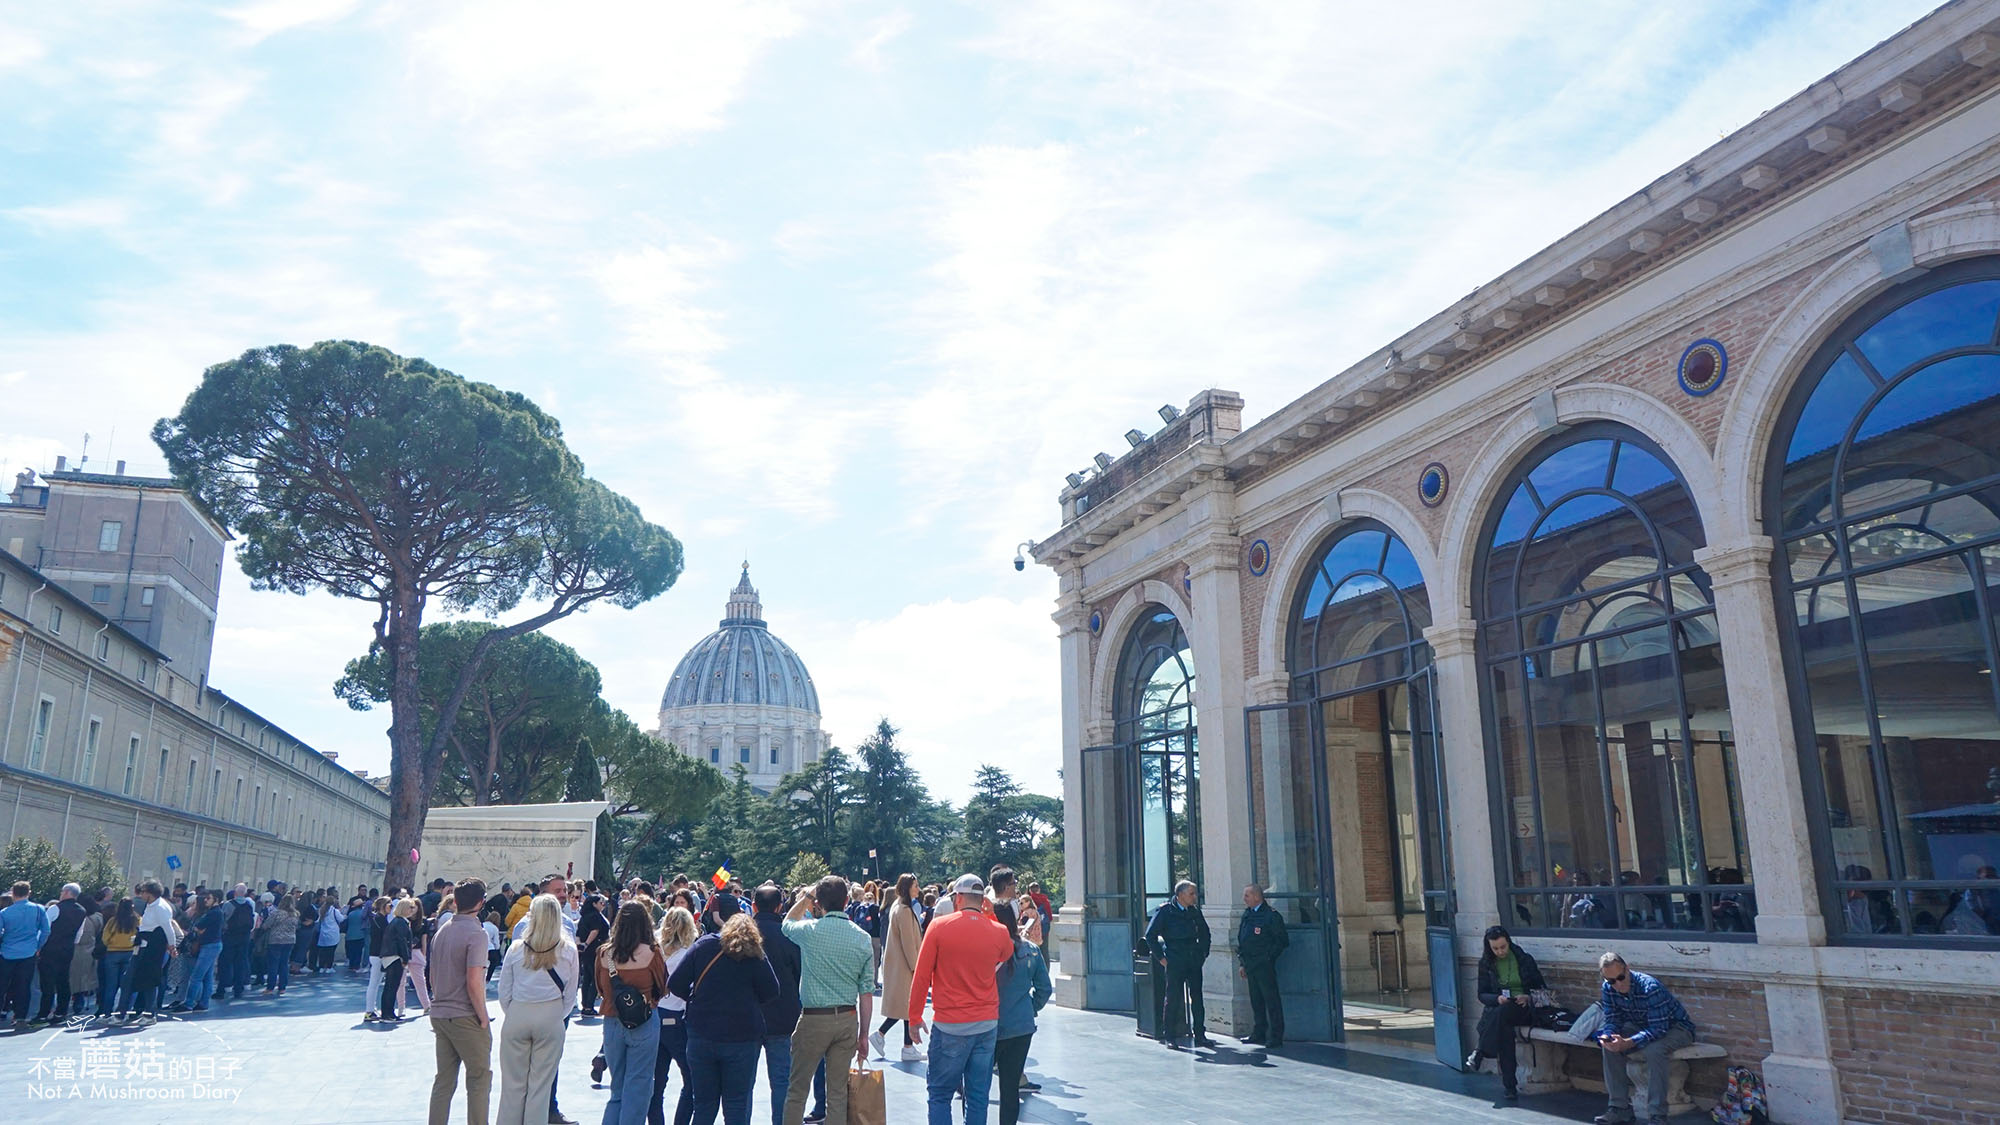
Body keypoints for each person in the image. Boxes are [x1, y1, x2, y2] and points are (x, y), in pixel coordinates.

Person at [908, 873, 1015, 1125]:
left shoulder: (938, 927)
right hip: (986, 1023)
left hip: (950, 1024)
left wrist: (914, 1017)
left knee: (940, 1094)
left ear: (957, 898)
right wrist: (988, 915)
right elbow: (1007, 950)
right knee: (978, 1097)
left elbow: (922, 976)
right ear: (982, 899)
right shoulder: (997, 930)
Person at [669, 911, 778, 1125]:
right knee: (736, 1105)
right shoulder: (755, 954)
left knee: (703, 1105)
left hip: (702, 1033)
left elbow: (675, 983)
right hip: (743, 1037)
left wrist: (695, 1000)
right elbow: (772, 990)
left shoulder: (705, 946)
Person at [782, 877, 874, 1125]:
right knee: (837, 1093)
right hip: (847, 1018)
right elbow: (866, 992)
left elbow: (787, 923)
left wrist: (807, 897)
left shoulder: (811, 932)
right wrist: (864, 1034)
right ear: (847, 901)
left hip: (813, 1019)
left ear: (819, 904)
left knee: (797, 1090)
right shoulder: (863, 938)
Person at [496, 892, 577, 1125]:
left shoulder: (516, 948)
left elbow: (504, 991)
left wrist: (514, 1011)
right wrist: (555, 1014)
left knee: (512, 1085)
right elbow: (570, 994)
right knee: (541, 1086)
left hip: (518, 1012)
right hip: (551, 1014)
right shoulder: (569, 950)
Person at [1594, 951, 1698, 1125]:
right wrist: (1609, 1035)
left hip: (1675, 1027)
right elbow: (1613, 1018)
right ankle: (1619, 1108)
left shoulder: (1650, 987)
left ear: (1627, 969)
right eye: (1611, 981)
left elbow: (1658, 1029)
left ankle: (1657, 1115)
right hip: (1640, 1025)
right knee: (1610, 1047)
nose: (1617, 984)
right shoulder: (1608, 989)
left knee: (1655, 1050)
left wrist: (1628, 1042)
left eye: (1620, 977)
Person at [600, 901, 670, 1125]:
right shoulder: (651, 953)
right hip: (644, 1020)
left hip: (612, 1019)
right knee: (638, 1087)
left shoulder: (605, 954)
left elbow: (601, 989)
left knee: (617, 1088)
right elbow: (663, 986)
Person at [1466, 925, 1546, 1103]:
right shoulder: (1486, 964)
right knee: (1504, 1030)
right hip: (1501, 1008)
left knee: (1502, 1017)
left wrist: (1527, 996)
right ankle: (1510, 1087)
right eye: (1495, 948)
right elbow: (1482, 994)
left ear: (1508, 943)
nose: (1500, 951)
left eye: (1503, 947)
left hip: (1525, 1007)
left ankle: (1480, 1052)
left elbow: (1542, 989)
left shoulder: (1524, 959)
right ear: (1489, 947)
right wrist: (1497, 998)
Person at [990, 902, 1050, 1125]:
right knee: (1011, 1087)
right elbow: (1044, 988)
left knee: (978, 1085)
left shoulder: (988, 950)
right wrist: (1030, 1008)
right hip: (1021, 1026)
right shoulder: (1031, 950)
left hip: (990, 1024)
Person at [747, 884, 802, 1125]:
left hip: (746, 1017)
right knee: (781, 1081)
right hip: (783, 1017)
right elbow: (800, 975)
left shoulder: (741, 937)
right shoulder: (788, 936)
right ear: (780, 907)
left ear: (753, 906)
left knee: (743, 1084)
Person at [1142, 880, 1212, 1049]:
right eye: (1191, 894)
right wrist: (1162, 958)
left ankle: (1200, 1034)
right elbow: (1150, 936)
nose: (1194, 897)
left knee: (1197, 997)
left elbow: (1205, 933)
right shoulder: (1166, 911)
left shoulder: (1194, 911)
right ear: (1180, 895)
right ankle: (1170, 1035)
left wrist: (1203, 953)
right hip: (1175, 959)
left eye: (1195, 893)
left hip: (1193, 958)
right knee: (1173, 998)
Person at [649, 906, 700, 1125]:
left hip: (654, 1015)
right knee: (691, 1080)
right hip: (677, 1019)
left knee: (656, 1082)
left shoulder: (654, 950)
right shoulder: (689, 954)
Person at [872, 874, 925, 1062]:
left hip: (900, 965)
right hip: (905, 966)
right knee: (907, 1007)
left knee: (905, 1008)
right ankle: (886, 1038)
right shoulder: (903, 910)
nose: (918, 889)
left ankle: (905, 1045)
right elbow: (908, 943)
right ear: (907, 887)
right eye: (915, 886)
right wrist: (916, 968)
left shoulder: (899, 907)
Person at [1235, 884, 1289, 1049]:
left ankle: (1276, 1036)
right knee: (1256, 1001)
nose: (1244, 899)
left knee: (1271, 1001)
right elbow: (1242, 940)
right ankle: (1259, 1033)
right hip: (1250, 965)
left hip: (1264, 965)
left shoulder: (1271, 916)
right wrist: (1242, 963)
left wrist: (1267, 958)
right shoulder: (1247, 914)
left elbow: (1281, 941)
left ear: (1257, 897)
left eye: (1247, 895)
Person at [34, 883, 86, 1023]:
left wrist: (38, 947)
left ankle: (43, 1014)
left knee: (47, 983)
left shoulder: (55, 908)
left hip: (50, 950)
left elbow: (44, 930)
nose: (61, 893)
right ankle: (61, 1012)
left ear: (67, 892)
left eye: (62, 891)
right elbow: (79, 934)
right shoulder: (82, 911)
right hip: (67, 950)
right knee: (63, 981)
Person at [0, 881, 49, 1023]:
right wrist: (38, 947)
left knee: (2, 985)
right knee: (23, 986)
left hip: (7, 952)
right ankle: (20, 1016)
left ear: (13, 894)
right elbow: (46, 931)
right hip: (28, 952)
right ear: (29, 893)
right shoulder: (39, 909)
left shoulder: (4, 912)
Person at [130, 879, 176, 1023]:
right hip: (145, 942)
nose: (141, 894)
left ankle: (150, 1013)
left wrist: (172, 946)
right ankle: (143, 1011)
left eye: (143, 891)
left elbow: (168, 928)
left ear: (150, 893)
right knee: (144, 978)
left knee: (150, 979)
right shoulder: (151, 905)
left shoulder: (160, 908)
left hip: (154, 945)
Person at [375, 897, 417, 1023]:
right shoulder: (400, 923)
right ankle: (387, 1014)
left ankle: (388, 1013)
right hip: (395, 957)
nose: (412, 910)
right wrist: (405, 958)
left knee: (390, 986)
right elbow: (402, 941)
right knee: (392, 986)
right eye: (410, 907)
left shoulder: (398, 921)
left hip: (392, 956)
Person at [220, 882, 258, 1000]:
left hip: (230, 937)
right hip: (244, 937)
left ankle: (223, 988)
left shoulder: (228, 905)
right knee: (240, 963)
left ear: (235, 893)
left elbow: (223, 920)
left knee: (226, 963)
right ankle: (238, 990)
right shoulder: (249, 905)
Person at [70, 895, 106, 1017]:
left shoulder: (75, 916)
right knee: (87, 977)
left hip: (74, 949)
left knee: (74, 978)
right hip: (90, 949)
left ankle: (76, 1001)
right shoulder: (98, 917)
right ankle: (85, 1001)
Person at [260, 893, 300, 997]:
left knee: (273, 964)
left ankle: (270, 987)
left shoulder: (277, 913)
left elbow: (266, 925)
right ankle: (282, 987)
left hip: (276, 940)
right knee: (284, 964)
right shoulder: (295, 914)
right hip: (290, 940)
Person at [578, 894, 612, 1015]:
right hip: (595, 949)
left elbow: (579, 933)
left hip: (587, 951)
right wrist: (587, 943)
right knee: (594, 978)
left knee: (587, 978)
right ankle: (589, 1005)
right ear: (594, 904)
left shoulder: (584, 916)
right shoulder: (595, 916)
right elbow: (595, 931)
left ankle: (585, 1004)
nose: (603, 905)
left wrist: (581, 945)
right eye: (601, 903)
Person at [483, 910, 505, 982]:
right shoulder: (494, 928)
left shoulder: (482, 924)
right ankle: (488, 979)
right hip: (490, 948)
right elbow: (496, 942)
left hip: (481, 948)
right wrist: (497, 949)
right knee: (494, 962)